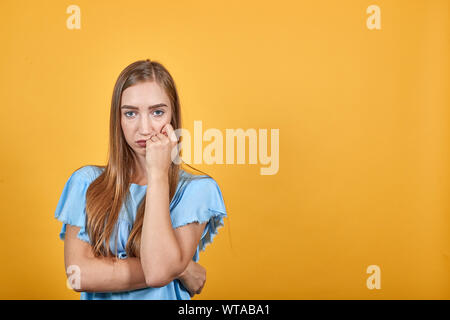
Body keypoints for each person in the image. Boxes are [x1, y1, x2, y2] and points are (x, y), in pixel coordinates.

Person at [54, 59, 227, 300]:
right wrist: (182, 268)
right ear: (119, 119)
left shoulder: (197, 191)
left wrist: (157, 174)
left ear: (173, 117)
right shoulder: (86, 183)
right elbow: (78, 275)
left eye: (157, 112)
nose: (144, 128)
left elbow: (158, 272)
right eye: (131, 113)